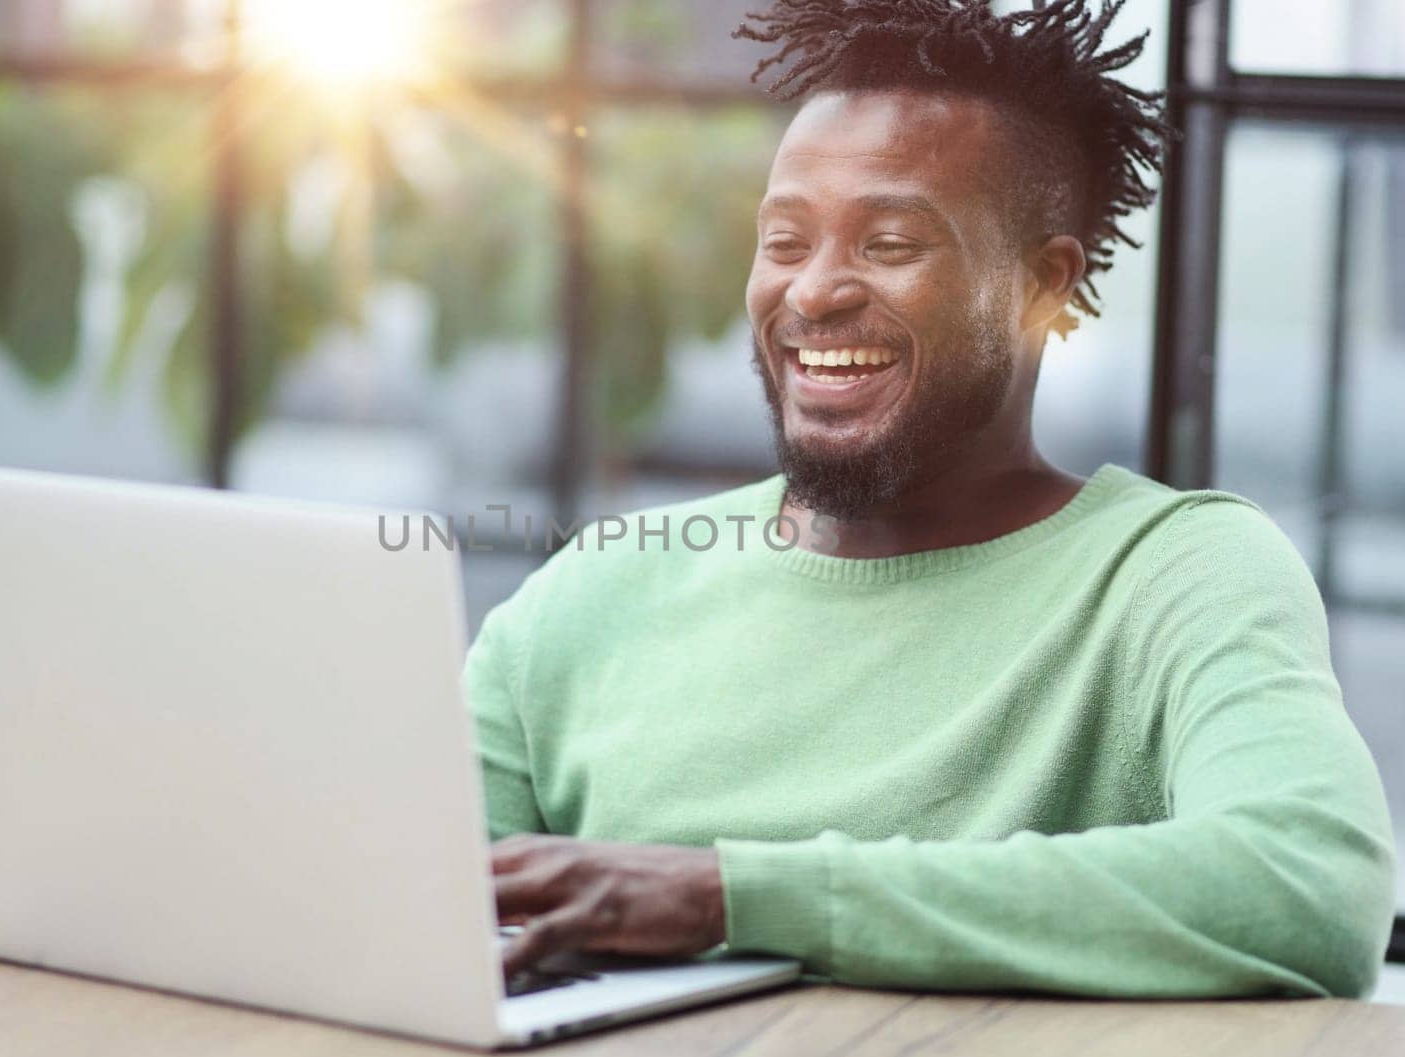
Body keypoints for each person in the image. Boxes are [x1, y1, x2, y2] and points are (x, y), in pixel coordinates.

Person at [466, 0, 1396, 998]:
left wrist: (730, 897)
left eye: (890, 243)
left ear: (1043, 289)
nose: (814, 292)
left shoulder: (1172, 573)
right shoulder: (593, 589)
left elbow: (1306, 887)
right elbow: (386, 890)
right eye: (783, 241)